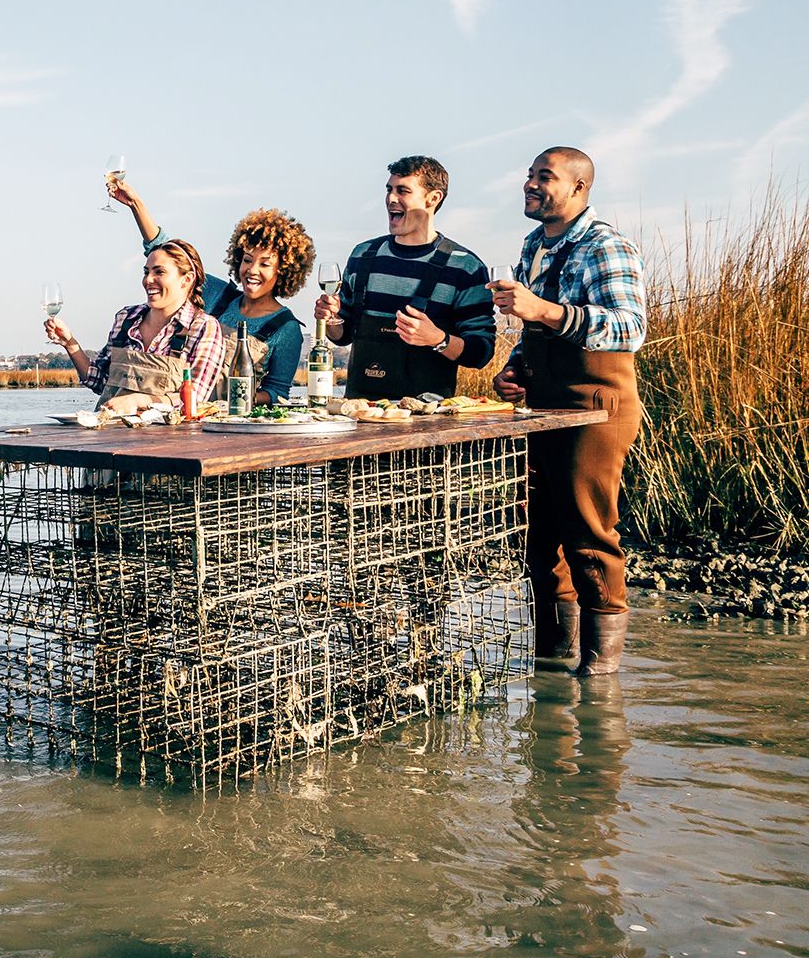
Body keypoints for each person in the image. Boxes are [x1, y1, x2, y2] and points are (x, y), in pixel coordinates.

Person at [490, 147, 645, 677]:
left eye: (544, 177)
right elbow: (536, 330)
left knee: (588, 532)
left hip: (597, 406)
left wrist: (543, 310)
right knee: (538, 535)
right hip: (543, 406)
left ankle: (600, 681)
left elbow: (629, 329)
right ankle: (555, 668)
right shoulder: (535, 244)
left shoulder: (607, 245)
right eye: (529, 174)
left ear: (579, 188)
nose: (530, 184)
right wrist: (513, 370)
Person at [110, 179, 317, 405]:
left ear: (284, 271)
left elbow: (277, 392)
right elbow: (168, 254)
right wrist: (136, 205)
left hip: (229, 423)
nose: (252, 270)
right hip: (179, 415)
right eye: (247, 260)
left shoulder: (286, 329)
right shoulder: (217, 295)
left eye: (265, 264)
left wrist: (237, 397)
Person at [314, 154, 496, 399]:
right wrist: (331, 319)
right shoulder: (363, 255)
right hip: (359, 414)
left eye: (403, 191)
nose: (391, 198)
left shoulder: (466, 268)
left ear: (433, 198)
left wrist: (437, 339)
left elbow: (480, 353)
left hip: (427, 422)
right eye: (389, 189)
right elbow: (343, 336)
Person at [43, 237, 227, 415]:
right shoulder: (126, 318)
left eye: (159, 272)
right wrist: (70, 343)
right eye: (146, 272)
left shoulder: (203, 327)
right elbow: (100, 381)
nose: (148, 280)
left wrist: (140, 401)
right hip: (110, 435)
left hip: (168, 442)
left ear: (186, 280)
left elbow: (195, 400)